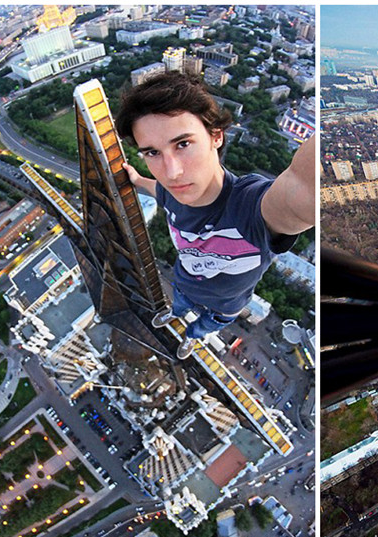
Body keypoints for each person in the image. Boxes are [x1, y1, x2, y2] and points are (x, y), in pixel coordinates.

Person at [116, 71, 315, 358]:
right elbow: (158, 188)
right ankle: (173, 316)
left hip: (225, 306)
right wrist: (135, 180)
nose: (172, 172)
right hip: (184, 285)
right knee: (178, 307)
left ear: (216, 136)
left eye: (182, 144)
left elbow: (304, 189)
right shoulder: (172, 191)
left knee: (201, 327)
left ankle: (191, 337)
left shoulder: (249, 207)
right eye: (152, 153)